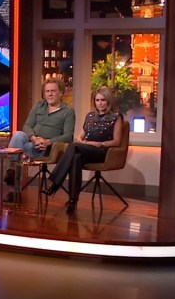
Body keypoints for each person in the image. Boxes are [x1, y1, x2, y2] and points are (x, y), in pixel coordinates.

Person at [44, 86, 123, 215]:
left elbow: (117, 141)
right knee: (76, 157)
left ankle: (55, 183)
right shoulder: (90, 116)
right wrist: (82, 141)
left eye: (103, 100)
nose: (100, 103)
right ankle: (72, 201)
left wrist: (98, 144)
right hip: (86, 149)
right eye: (97, 100)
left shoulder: (116, 117)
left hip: (102, 152)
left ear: (109, 101)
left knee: (74, 146)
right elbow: (80, 137)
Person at [3, 78, 76, 194]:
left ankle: (13, 191)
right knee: (18, 135)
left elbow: (68, 136)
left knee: (18, 151)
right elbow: (27, 125)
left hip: (48, 149)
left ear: (61, 93)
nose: (50, 94)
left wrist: (48, 142)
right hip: (32, 142)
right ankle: (12, 173)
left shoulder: (68, 111)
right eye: (47, 91)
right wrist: (34, 138)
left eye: (53, 91)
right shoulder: (39, 105)